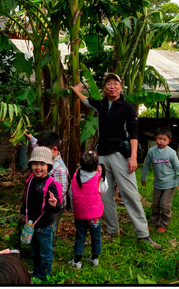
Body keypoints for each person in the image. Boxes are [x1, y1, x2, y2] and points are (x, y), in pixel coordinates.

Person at [70, 73, 161, 250]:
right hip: (102, 154)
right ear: (104, 88)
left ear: (121, 87)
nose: (112, 86)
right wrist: (76, 92)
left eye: (115, 83)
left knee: (129, 193)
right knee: (104, 194)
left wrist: (133, 157)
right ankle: (113, 230)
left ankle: (143, 235)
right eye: (109, 84)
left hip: (121, 153)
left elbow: (134, 134)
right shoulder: (102, 105)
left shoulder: (127, 107)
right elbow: (88, 101)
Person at [20, 146, 62, 280]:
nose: (38, 167)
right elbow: (27, 198)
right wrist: (23, 212)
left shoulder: (50, 184)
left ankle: (43, 276)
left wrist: (54, 204)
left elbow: (57, 207)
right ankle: (37, 271)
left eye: (42, 164)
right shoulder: (30, 180)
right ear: (31, 165)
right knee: (35, 251)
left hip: (44, 225)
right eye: (35, 164)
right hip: (31, 223)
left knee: (45, 252)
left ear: (48, 166)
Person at [24, 130, 69, 255]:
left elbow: (62, 191)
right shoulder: (45, 156)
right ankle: (38, 248)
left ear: (54, 149)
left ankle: (50, 252)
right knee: (39, 226)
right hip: (41, 205)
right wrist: (31, 138)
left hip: (53, 206)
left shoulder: (59, 168)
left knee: (50, 228)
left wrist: (54, 204)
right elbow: (37, 149)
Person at [68, 150, 108, 269]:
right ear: (96, 165)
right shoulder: (98, 176)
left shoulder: (76, 174)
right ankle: (94, 259)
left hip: (80, 213)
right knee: (96, 236)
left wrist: (73, 208)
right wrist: (102, 177)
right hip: (95, 215)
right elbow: (103, 190)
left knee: (80, 236)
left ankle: (77, 262)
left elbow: (71, 193)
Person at [140, 127, 179, 233]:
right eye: (160, 139)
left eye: (164, 140)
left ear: (169, 141)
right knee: (155, 204)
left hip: (170, 183)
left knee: (165, 205)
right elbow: (146, 164)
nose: (161, 141)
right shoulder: (152, 151)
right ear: (155, 138)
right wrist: (143, 177)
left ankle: (164, 224)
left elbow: (178, 168)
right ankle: (154, 222)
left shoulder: (171, 153)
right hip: (158, 183)